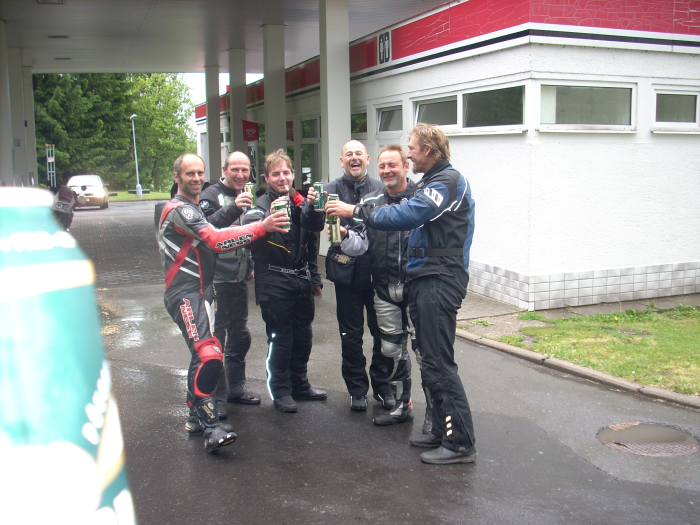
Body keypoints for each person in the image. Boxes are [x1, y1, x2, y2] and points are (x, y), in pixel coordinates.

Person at [345, 124, 476, 465]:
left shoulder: (446, 182)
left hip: (439, 279)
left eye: (412, 148)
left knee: (438, 363)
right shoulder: (434, 182)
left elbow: (409, 214)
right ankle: (441, 432)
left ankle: (460, 443)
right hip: (426, 279)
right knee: (430, 361)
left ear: (428, 150)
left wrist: (357, 210)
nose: (409, 154)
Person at [157, 153, 288, 453]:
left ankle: (195, 419)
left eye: (199, 173)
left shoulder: (191, 208)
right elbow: (215, 240)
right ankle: (210, 426)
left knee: (205, 352)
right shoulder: (180, 210)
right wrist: (262, 227)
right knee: (209, 353)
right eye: (189, 173)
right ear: (176, 177)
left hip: (202, 291)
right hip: (186, 292)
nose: (196, 178)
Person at [326, 144, 425, 428]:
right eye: (383, 166)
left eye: (392, 165)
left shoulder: (421, 197)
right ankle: (396, 402)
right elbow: (360, 243)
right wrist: (344, 235)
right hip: (379, 286)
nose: (387, 170)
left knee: (425, 351)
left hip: (417, 286)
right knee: (390, 347)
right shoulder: (370, 200)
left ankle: (433, 412)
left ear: (406, 166)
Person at [242, 149, 326, 413]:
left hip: (300, 281)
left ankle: (299, 384)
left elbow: (311, 243)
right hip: (273, 282)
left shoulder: (300, 203)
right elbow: (250, 238)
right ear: (267, 178)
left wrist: (314, 278)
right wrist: (265, 222)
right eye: (276, 174)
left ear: (292, 175)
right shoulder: (259, 207)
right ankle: (280, 390)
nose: (282, 178)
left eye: (286, 173)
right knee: (281, 339)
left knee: (303, 337)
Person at [315, 140, 385, 412]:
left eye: (358, 154)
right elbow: (312, 224)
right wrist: (310, 206)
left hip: (378, 274)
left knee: (382, 335)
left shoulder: (381, 188)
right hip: (346, 275)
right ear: (341, 160)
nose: (354, 158)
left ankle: (383, 388)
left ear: (367, 158)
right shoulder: (329, 190)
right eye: (348, 154)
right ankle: (357, 389)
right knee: (351, 335)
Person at [200, 152, 260, 418]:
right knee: (217, 339)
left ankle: (235, 388)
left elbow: (248, 234)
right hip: (216, 281)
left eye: (245, 170)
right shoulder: (211, 195)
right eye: (235, 169)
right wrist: (235, 206)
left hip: (239, 279)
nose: (240, 175)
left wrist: (251, 263)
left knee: (240, 336)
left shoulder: (248, 193)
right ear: (224, 169)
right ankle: (217, 398)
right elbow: (207, 228)